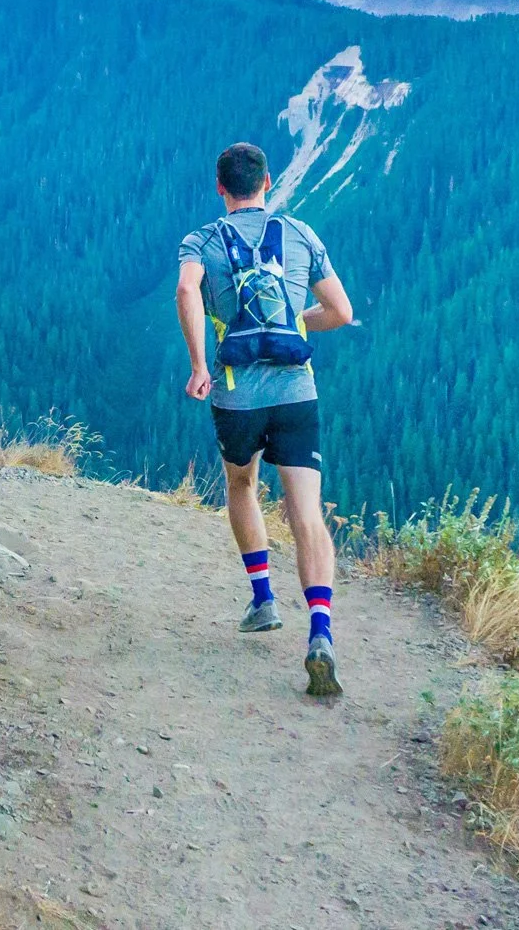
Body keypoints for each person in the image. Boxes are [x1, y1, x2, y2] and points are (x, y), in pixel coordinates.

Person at [175, 142, 354, 697]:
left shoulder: (201, 240)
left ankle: (263, 599)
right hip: (297, 391)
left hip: (236, 395)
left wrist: (201, 365)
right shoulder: (301, 235)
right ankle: (320, 633)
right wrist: (295, 322)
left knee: (242, 484)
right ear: (268, 182)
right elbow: (342, 312)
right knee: (307, 512)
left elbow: (186, 288)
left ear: (220, 189)